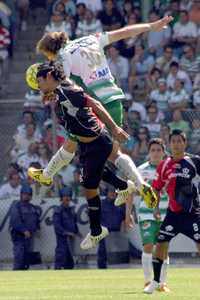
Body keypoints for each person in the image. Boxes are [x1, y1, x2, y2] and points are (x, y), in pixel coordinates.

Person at [27, 62, 158, 250]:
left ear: (48, 77)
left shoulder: (68, 91)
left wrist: (115, 128)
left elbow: (94, 104)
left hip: (97, 142)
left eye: (39, 81)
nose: (37, 85)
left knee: (89, 187)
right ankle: (125, 186)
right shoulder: (61, 89)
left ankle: (97, 230)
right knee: (90, 174)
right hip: (88, 144)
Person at [144, 130, 200, 294]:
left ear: (185, 143)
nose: (176, 144)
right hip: (173, 215)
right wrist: (155, 209)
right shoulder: (164, 165)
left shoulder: (194, 162)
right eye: (173, 141)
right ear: (169, 144)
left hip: (192, 214)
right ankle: (155, 282)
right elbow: (156, 188)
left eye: (179, 141)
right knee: (160, 245)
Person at [138, 138, 169, 292]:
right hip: (146, 214)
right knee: (149, 245)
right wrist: (127, 212)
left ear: (163, 152)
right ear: (149, 153)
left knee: (163, 249)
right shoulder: (140, 170)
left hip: (166, 214)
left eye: (159, 150)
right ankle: (147, 281)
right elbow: (131, 191)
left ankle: (162, 283)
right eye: (153, 150)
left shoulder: (170, 169)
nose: (156, 153)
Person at [9, 185, 40, 270]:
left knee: (27, 260)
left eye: (29, 194)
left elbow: (36, 220)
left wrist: (36, 229)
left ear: (31, 196)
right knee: (19, 258)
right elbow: (15, 221)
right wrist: (24, 230)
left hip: (29, 238)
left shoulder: (33, 208)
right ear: (21, 194)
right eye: (25, 194)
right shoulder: (16, 206)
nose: (27, 196)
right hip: (19, 237)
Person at [97, 185, 125, 269]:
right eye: (111, 192)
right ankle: (101, 268)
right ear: (107, 193)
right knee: (102, 250)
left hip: (116, 233)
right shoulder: (101, 204)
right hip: (104, 232)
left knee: (121, 251)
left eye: (115, 192)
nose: (113, 194)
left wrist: (123, 226)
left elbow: (124, 217)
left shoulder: (120, 204)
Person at [53, 186, 79, 269]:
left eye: (68, 196)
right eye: (65, 196)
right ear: (61, 198)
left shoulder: (71, 210)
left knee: (70, 264)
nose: (67, 198)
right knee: (60, 262)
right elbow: (57, 227)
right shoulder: (58, 210)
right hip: (62, 241)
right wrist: (66, 233)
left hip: (71, 242)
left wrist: (77, 232)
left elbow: (74, 224)